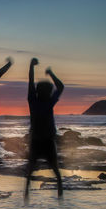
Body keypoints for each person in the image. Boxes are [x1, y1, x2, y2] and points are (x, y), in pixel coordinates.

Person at [24, 57, 64, 198]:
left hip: (44, 139)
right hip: (40, 139)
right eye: (45, 90)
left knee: (49, 168)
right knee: (34, 169)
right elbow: (60, 87)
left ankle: (58, 193)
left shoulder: (41, 101)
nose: (46, 93)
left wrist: (50, 73)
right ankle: (27, 194)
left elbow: (60, 87)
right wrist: (33, 68)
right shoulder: (35, 100)